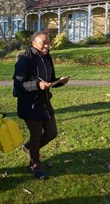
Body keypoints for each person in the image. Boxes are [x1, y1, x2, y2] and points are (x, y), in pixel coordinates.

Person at [12, 31, 69, 180]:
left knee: (52, 133)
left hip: (44, 102)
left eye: (48, 42)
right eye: (43, 42)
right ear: (33, 43)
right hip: (29, 105)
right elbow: (18, 85)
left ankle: (29, 147)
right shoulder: (25, 60)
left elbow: (50, 81)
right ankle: (35, 164)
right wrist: (37, 85)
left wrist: (59, 82)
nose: (46, 45)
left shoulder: (47, 57)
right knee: (36, 136)